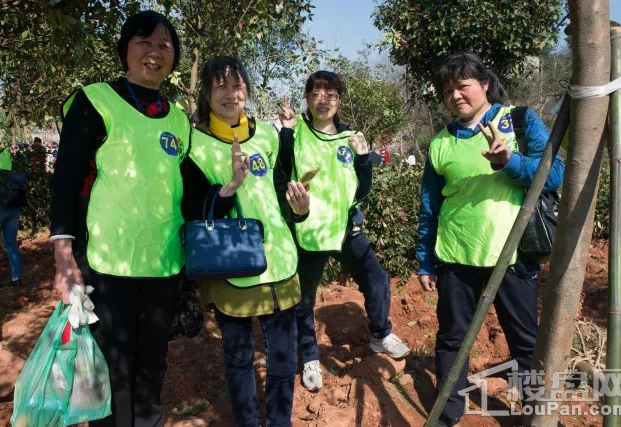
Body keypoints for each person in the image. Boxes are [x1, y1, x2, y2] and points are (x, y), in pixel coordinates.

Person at [50, 11, 196, 426]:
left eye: (165, 46)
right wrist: (64, 258)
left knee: (152, 366)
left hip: (163, 266)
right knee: (112, 371)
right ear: (125, 50)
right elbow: (65, 181)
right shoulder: (95, 100)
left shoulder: (179, 118)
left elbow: (185, 190)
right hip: (106, 265)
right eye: (144, 42)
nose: (155, 53)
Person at [416, 52, 565, 426]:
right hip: (456, 255)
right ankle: (448, 412)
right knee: (452, 338)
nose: (455, 95)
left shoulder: (518, 120)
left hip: (511, 256)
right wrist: (424, 259)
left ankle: (539, 415)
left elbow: (555, 175)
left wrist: (508, 161)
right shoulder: (439, 144)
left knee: (525, 343)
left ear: (483, 84)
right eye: (447, 90)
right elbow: (430, 207)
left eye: (462, 85)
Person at [183, 56, 310, 427]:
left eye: (237, 85)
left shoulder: (268, 136)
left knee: (284, 358)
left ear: (247, 92)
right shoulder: (195, 145)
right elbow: (193, 210)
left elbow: (283, 189)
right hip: (230, 264)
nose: (230, 93)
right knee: (239, 358)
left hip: (280, 259)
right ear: (206, 93)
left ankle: (279, 421)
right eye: (220, 85)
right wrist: (230, 188)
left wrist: (299, 210)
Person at [279, 70, 410, 392]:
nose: (323, 101)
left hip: (346, 227)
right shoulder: (295, 133)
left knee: (376, 280)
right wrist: (284, 134)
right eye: (316, 94)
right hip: (308, 228)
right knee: (304, 300)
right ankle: (310, 356)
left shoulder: (350, 137)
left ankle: (380, 334)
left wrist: (364, 157)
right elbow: (281, 174)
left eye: (331, 94)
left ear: (339, 99)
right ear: (307, 99)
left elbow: (361, 189)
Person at [0, 142, 26, 287]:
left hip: (1, 205)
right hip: (14, 205)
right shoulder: (6, 154)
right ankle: (16, 278)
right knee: (11, 244)